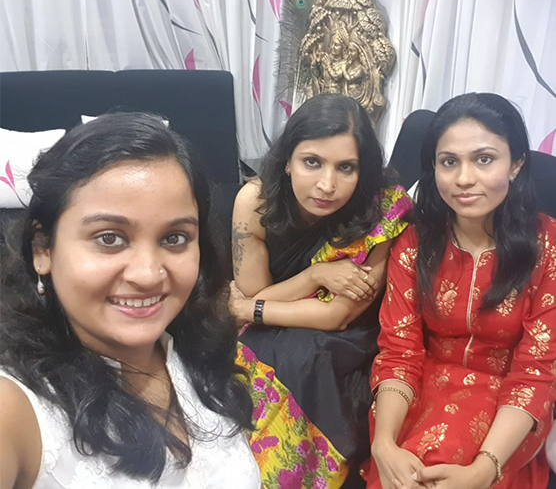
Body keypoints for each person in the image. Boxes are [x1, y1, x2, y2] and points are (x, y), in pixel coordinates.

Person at [0, 113, 261, 489]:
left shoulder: (195, 353)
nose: (148, 274)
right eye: (109, 238)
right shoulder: (15, 409)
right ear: (43, 249)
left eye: (174, 238)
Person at [363, 92, 556, 489]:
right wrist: (382, 444)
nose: (464, 179)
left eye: (484, 159)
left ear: (516, 164)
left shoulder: (548, 247)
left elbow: (535, 372)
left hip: (510, 405)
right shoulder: (415, 242)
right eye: (449, 162)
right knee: (404, 470)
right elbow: (400, 351)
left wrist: (484, 470)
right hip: (420, 389)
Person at [229, 94, 412, 488]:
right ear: (287, 161)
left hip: (346, 340)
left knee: (307, 356)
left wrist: (247, 310)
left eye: (346, 168)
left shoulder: (383, 208)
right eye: (312, 162)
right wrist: (315, 276)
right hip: (271, 326)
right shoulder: (256, 202)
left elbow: (337, 315)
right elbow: (257, 293)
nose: (327, 185)